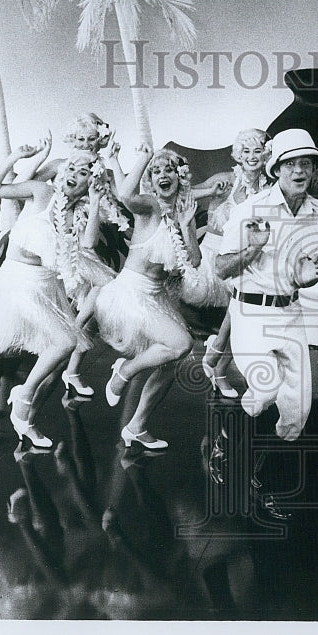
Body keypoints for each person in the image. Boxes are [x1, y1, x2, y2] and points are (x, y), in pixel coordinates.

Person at [210, 128, 318, 520]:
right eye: (291, 163)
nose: (299, 170)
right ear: (276, 168)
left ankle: (252, 465)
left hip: (290, 314)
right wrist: (254, 247)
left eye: (306, 163)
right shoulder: (251, 210)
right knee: (265, 386)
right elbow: (222, 267)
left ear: (314, 169)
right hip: (250, 313)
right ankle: (234, 459)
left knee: (296, 414)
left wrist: (307, 279)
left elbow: (301, 274)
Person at [0, 143, 98, 449]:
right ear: (62, 170)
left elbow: (89, 243)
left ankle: (25, 421)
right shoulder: (42, 192)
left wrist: (94, 204)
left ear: (91, 183)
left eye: (84, 174)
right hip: (18, 280)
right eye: (72, 169)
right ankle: (23, 396)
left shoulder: (81, 212)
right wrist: (16, 157)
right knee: (66, 342)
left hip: (47, 283)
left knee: (56, 359)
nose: (75, 176)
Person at [93, 144, 199, 451]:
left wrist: (187, 224)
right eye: (156, 171)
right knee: (181, 344)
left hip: (157, 297)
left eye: (169, 170)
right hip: (131, 294)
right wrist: (142, 157)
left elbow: (192, 260)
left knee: (170, 364)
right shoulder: (149, 206)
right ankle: (123, 371)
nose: (163, 175)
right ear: (150, 180)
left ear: (179, 177)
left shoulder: (183, 209)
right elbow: (125, 196)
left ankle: (137, 426)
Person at [19, 114, 130, 398]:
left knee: (97, 304)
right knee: (91, 299)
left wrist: (112, 172)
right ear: (71, 141)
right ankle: (64, 353)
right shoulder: (60, 166)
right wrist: (39, 156)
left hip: (86, 241)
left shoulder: (100, 171)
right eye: (80, 139)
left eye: (91, 139)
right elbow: (27, 185)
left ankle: (73, 369)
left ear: (100, 141)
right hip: (54, 245)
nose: (85, 145)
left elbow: (123, 196)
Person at [190, 129, 273, 398]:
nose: (251, 156)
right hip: (215, 257)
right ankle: (216, 360)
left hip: (244, 259)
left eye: (257, 151)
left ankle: (217, 363)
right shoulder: (226, 180)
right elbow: (183, 195)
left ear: (266, 154)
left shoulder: (269, 189)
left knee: (240, 313)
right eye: (246, 151)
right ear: (238, 154)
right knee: (237, 310)